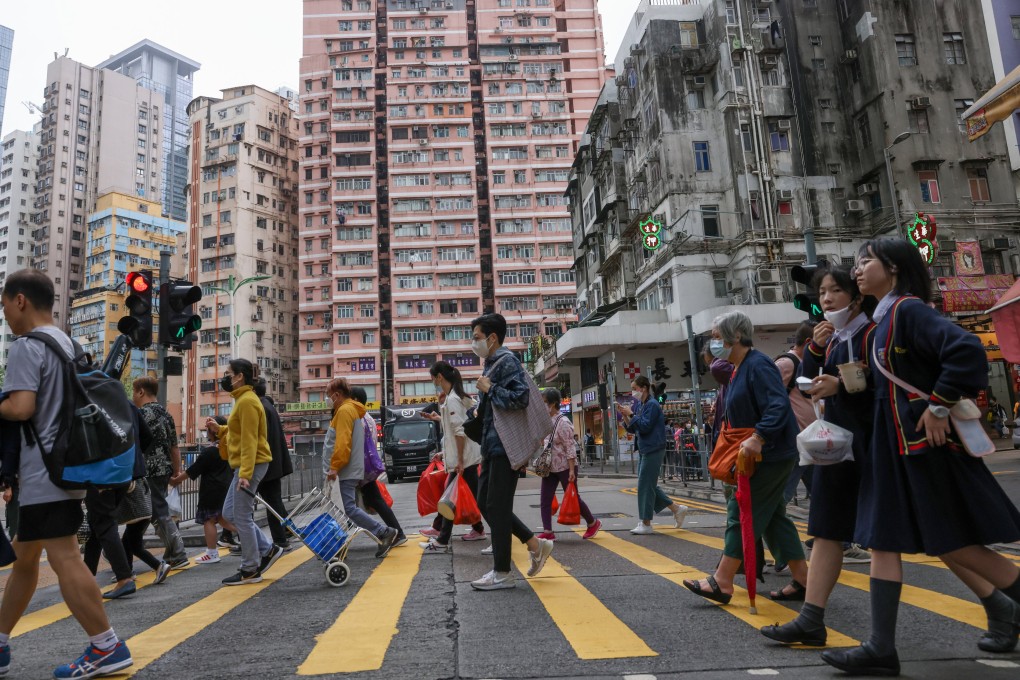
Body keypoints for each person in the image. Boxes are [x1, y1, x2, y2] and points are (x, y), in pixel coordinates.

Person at [821, 239, 1020, 675]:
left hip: (920, 449)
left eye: (866, 261)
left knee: (953, 541)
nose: (857, 271)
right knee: (883, 539)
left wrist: (938, 405)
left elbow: (965, 350)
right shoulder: (883, 318)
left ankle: (1002, 608)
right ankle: (880, 648)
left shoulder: (908, 309)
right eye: (856, 263)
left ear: (892, 268)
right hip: (895, 449)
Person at [0, 269, 133, 677]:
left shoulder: (26, 346)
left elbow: (21, 408)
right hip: (64, 465)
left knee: (64, 555)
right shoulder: (66, 341)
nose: (4, 313)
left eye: (4, 304)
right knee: (26, 559)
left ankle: (106, 645)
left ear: (20, 300)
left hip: (43, 471)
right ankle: (1, 643)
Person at [761, 265, 876, 647]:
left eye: (834, 291)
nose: (825, 299)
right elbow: (808, 380)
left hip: (873, 446)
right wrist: (815, 348)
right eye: (821, 292)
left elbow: (872, 382)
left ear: (857, 296)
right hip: (836, 446)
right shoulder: (835, 337)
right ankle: (811, 618)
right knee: (825, 528)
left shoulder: (873, 332)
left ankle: (1000, 599)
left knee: (928, 537)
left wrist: (840, 384)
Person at [682, 311, 808, 605]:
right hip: (759, 453)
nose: (714, 344)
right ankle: (805, 580)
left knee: (742, 511)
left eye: (716, 337)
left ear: (735, 336)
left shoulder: (759, 365)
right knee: (776, 518)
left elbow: (777, 406)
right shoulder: (739, 367)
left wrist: (758, 436)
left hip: (770, 454)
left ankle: (722, 581)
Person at [469, 313, 554, 590]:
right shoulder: (491, 363)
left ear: (493, 338)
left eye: (477, 338)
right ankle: (534, 543)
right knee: (485, 502)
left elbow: (521, 399)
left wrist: (490, 389)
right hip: (492, 445)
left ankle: (503, 571)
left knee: (497, 505)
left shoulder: (507, 362)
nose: (474, 343)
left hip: (505, 446)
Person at [205, 360, 284, 586]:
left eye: (228, 374)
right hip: (245, 465)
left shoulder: (247, 401)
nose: (225, 377)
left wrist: (246, 474)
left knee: (241, 516)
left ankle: (250, 568)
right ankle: (267, 549)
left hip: (252, 464)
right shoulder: (242, 400)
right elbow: (238, 430)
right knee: (230, 514)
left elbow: (249, 440)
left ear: (240, 377)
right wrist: (219, 430)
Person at [83, 402, 157, 600]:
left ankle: (124, 578)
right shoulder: (124, 402)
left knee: (103, 525)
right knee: (97, 527)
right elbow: (148, 436)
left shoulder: (87, 399)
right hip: (125, 472)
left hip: (102, 473)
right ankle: (86, 580)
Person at [323, 378, 399, 558]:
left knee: (347, 508)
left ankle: (382, 532)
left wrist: (334, 467)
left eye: (328, 395)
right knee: (344, 508)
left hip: (344, 469)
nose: (327, 399)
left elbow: (342, 442)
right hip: (350, 467)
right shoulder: (352, 410)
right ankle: (340, 546)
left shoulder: (344, 411)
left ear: (337, 395)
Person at [420, 362, 486, 553]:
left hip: (464, 461)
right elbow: (457, 425)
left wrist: (458, 461)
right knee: (452, 499)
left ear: (439, 377)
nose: (432, 381)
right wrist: (438, 418)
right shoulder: (454, 398)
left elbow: (460, 432)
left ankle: (443, 539)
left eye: (432, 377)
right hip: (465, 460)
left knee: (454, 499)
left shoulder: (453, 399)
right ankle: (446, 537)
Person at [619, 376, 689, 535]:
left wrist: (631, 414)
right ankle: (676, 509)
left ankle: (646, 522)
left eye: (634, 388)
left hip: (653, 448)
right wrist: (625, 415)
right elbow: (633, 429)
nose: (633, 392)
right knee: (648, 483)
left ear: (643, 388)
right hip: (645, 448)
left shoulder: (652, 405)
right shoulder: (642, 405)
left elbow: (644, 427)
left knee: (645, 484)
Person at [132, 376, 189, 570]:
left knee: (157, 512)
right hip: (164, 468)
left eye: (134, 392)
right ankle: (171, 553)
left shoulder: (141, 414)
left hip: (148, 469)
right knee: (155, 511)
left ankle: (178, 553)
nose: (133, 396)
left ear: (141, 392)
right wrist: (176, 470)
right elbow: (174, 446)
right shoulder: (166, 414)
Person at [171, 416, 236, 565]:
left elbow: (193, 470)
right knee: (222, 519)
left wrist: (175, 481)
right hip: (226, 487)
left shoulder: (210, 452)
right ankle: (254, 540)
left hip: (211, 490)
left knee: (209, 520)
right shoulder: (229, 448)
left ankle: (212, 553)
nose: (207, 433)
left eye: (208, 430)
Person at [538, 388, 601, 540]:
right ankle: (548, 531)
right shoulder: (546, 421)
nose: (543, 405)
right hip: (550, 467)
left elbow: (570, 446)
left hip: (566, 467)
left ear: (553, 404)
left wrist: (572, 470)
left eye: (545, 402)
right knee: (545, 499)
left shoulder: (563, 422)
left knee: (573, 497)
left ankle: (592, 523)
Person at [349, 386, 406, 547]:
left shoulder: (358, 418)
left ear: (355, 400)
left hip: (361, 466)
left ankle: (395, 533)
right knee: (373, 500)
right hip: (368, 465)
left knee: (370, 501)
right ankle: (395, 532)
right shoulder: (368, 418)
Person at [776, 323, 817, 506]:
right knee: (783, 494)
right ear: (808, 342)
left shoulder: (811, 364)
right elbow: (770, 398)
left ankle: (825, 534)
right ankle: (769, 529)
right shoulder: (787, 363)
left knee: (824, 493)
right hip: (796, 441)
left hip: (814, 440)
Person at [254, 378, 294, 552]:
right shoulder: (267, 405)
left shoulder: (260, 407)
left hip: (264, 464)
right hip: (272, 463)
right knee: (274, 503)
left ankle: (279, 539)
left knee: (271, 504)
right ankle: (282, 536)